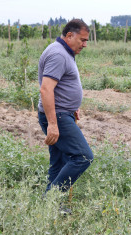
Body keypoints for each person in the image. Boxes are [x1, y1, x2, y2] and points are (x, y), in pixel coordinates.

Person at [38, 19, 93, 195]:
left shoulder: (63, 51)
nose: (84, 45)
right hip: (58, 116)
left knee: (59, 162)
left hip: (63, 113)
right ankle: (52, 198)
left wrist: (72, 105)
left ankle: (51, 208)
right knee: (83, 156)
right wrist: (53, 124)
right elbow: (46, 89)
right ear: (70, 35)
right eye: (82, 40)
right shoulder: (59, 54)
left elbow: (59, 86)